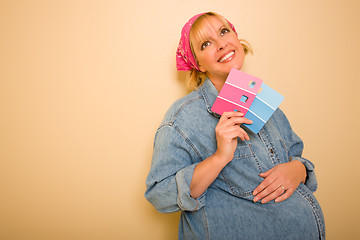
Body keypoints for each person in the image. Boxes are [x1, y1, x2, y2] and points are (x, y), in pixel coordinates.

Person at [145, 12, 325, 240]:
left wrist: (299, 169)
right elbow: (160, 195)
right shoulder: (182, 118)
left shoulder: (262, 100)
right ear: (197, 63)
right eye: (206, 43)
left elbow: (295, 155)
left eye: (224, 31)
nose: (221, 44)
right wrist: (220, 157)